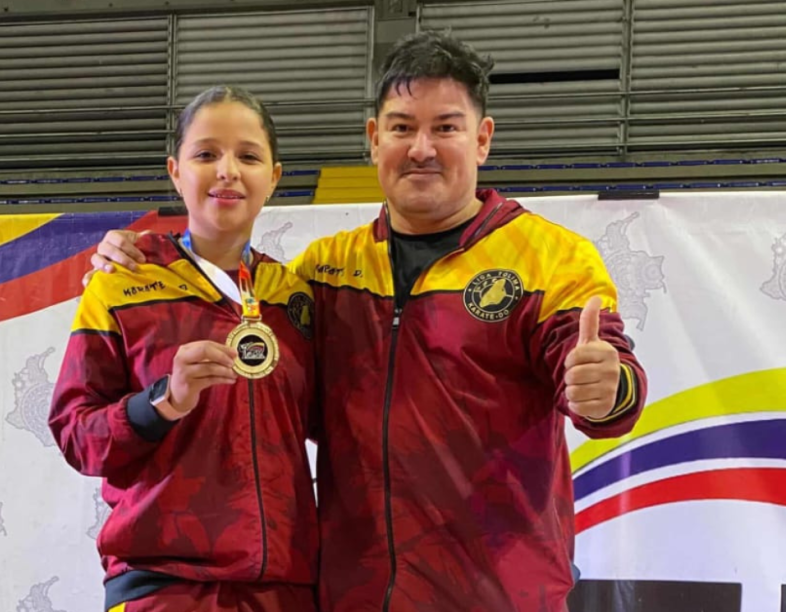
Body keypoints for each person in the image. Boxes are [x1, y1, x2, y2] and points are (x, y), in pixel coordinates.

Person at [84, 31, 648, 612]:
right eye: (402, 127)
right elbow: (231, 308)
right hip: (351, 597)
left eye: (446, 128)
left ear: (482, 140)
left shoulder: (551, 257)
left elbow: (604, 375)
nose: (422, 148)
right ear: (374, 141)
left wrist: (608, 389)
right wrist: (141, 257)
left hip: (499, 595)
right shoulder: (323, 272)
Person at [50, 85, 319, 612]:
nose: (227, 170)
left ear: (274, 176)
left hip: (283, 586)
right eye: (206, 154)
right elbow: (75, 434)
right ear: (176, 171)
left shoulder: (298, 299)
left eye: (248, 156)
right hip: (162, 583)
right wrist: (161, 403)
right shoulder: (121, 284)